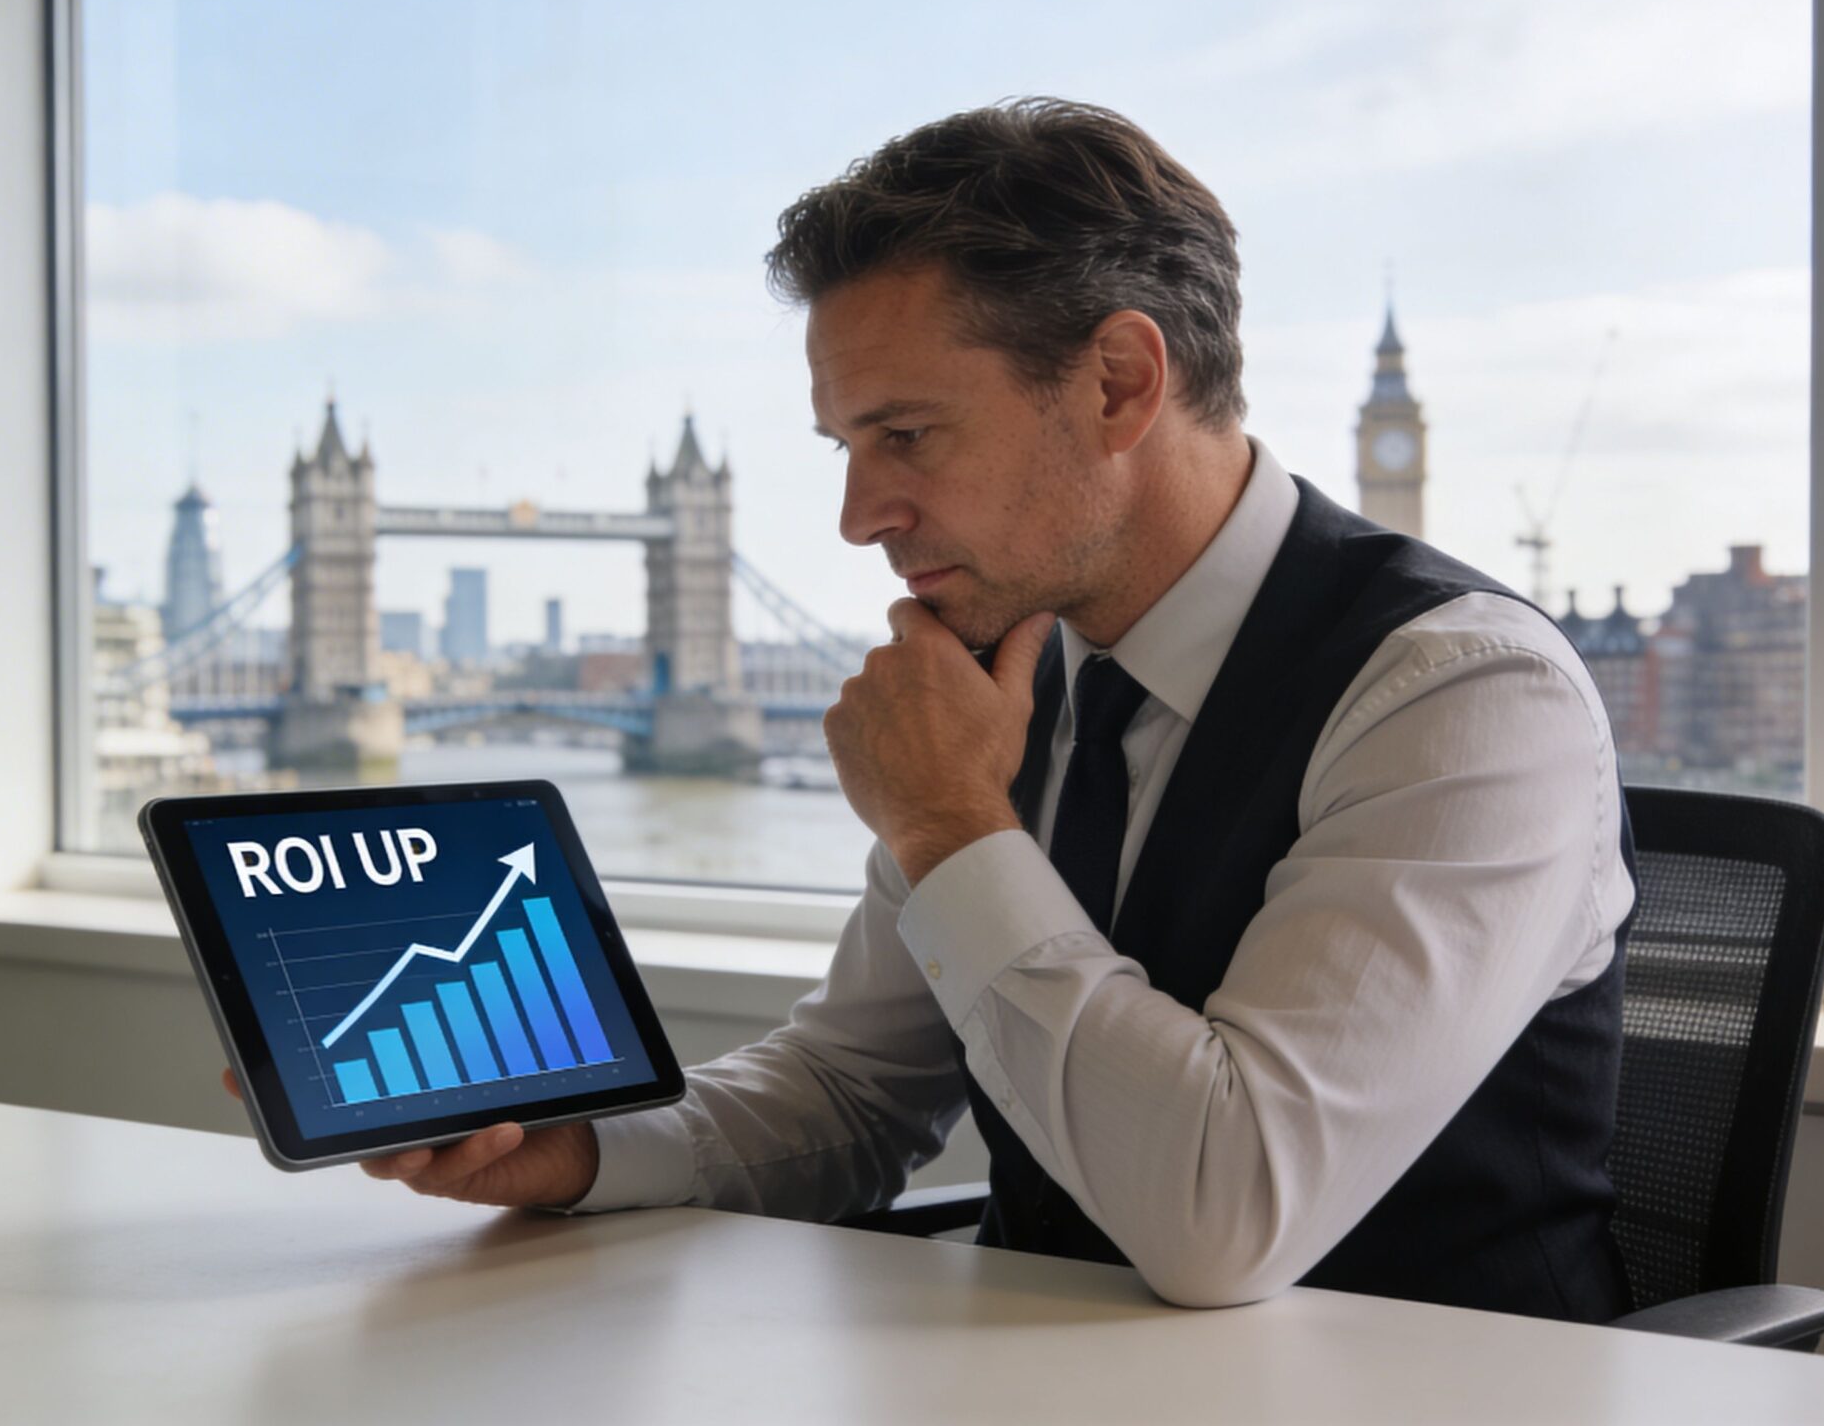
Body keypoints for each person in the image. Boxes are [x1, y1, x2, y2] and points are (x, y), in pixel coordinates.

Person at [225, 97, 1638, 1323]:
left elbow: (1229, 1215)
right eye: (845, 448)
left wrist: (953, 823)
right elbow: (854, 1095)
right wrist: (579, 1150)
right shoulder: (1019, 673)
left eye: (905, 436)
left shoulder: (1463, 696)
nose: (858, 519)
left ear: (1119, 382)